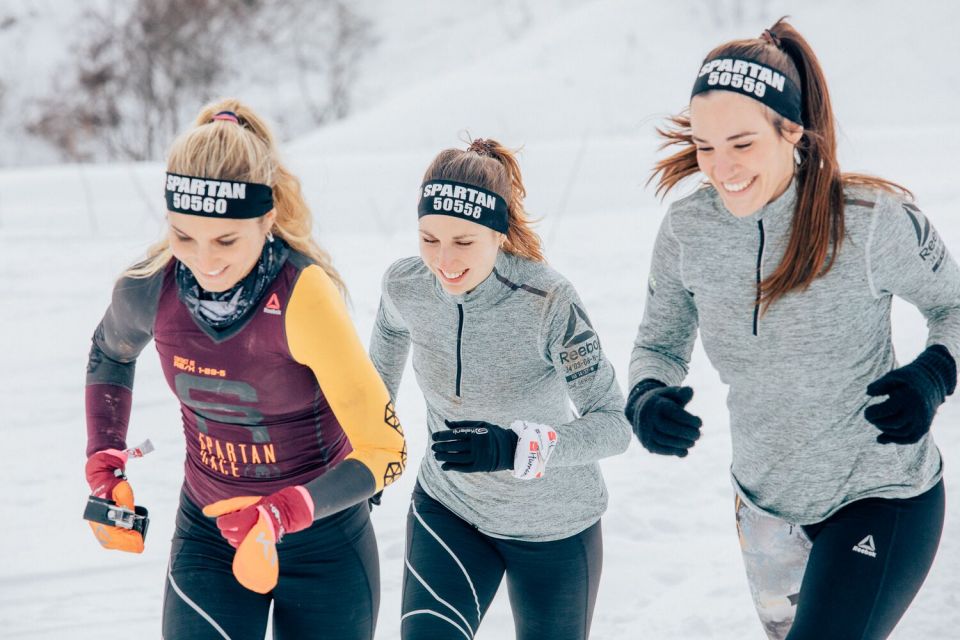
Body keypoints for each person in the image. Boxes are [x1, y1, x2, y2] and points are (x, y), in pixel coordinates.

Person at [626, 18, 960, 640]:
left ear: (792, 130)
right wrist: (646, 397)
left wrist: (932, 375)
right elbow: (657, 344)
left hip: (880, 493)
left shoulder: (870, 222)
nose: (720, 168)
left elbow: (956, 304)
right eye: (704, 146)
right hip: (764, 511)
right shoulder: (687, 231)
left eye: (742, 143)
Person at [83, 99, 406, 640]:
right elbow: (110, 350)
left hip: (323, 547)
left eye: (226, 240)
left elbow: (386, 450)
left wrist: (282, 514)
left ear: (267, 219)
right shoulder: (149, 288)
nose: (205, 261)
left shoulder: (303, 295)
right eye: (183, 236)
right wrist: (104, 457)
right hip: (209, 538)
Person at [369, 138, 631, 640]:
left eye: (463, 242)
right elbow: (377, 377)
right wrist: (366, 456)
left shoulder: (547, 301)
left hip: (554, 525)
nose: (443, 261)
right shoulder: (405, 285)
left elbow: (614, 423)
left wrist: (515, 447)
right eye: (429, 239)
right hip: (450, 508)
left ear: (498, 231)